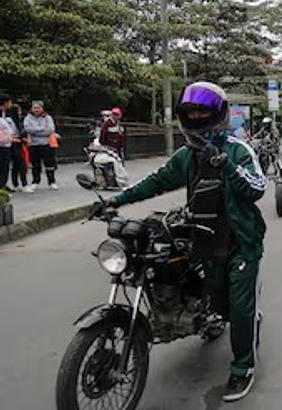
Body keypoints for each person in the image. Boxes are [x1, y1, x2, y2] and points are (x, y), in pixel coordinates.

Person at [92, 81, 266, 402]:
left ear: (218, 115)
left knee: (240, 309)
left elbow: (257, 188)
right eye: (192, 111)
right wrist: (115, 201)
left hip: (242, 241)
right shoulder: (186, 155)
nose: (197, 116)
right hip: (206, 240)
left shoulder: (239, 150)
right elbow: (155, 182)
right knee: (220, 306)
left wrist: (226, 165)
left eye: (203, 111)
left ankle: (243, 367)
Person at [23, 100, 58, 190]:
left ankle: (52, 182)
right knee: (35, 164)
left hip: (46, 144)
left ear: (42, 108)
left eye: (38, 107)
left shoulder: (48, 118)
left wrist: (36, 131)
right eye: (34, 108)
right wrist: (42, 130)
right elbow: (28, 129)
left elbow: (50, 130)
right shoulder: (28, 118)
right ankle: (35, 181)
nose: (36, 109)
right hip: (33, 144)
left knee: (49, 164)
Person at [8, 104, 30, 192]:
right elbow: (12, 133)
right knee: (20, 164)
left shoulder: (20, 120)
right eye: (19, 110)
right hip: (13, 143)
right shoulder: (10, 121)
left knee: (18, 165)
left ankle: (17, 183)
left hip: (19, 143)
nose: (20, 112)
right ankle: (21, 184)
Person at [0, 94, 13, 191]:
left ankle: (3, 184)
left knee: (5, 166)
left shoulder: (6, 114)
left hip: (6, 143)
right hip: (2, 144)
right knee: (2, 166)